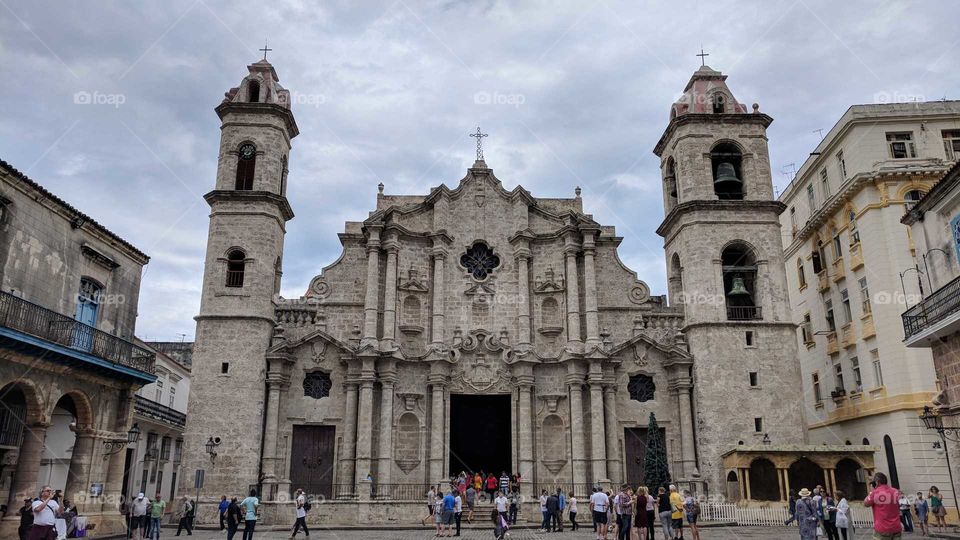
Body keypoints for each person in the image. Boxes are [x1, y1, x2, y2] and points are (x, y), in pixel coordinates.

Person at [864, 473, 903, 540]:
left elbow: (866, 503)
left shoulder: (875, 492)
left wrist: (871, 491)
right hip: (896, 527)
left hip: (882, 528)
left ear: (877, 482)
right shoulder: (895, 491)